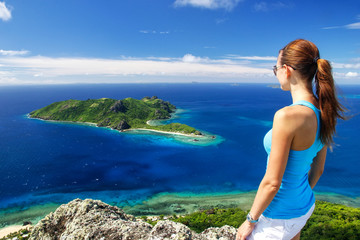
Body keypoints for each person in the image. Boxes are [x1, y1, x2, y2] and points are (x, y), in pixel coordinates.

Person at [236, 39, 346, 240]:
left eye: (275, 68)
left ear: (286, 70)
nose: (275, 72)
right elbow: (318, 169)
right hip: (303, 208)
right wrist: (296, 199)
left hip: (276, 219)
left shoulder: (287, 116)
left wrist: (249, 220)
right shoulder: (324, 111)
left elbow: (272, 183)